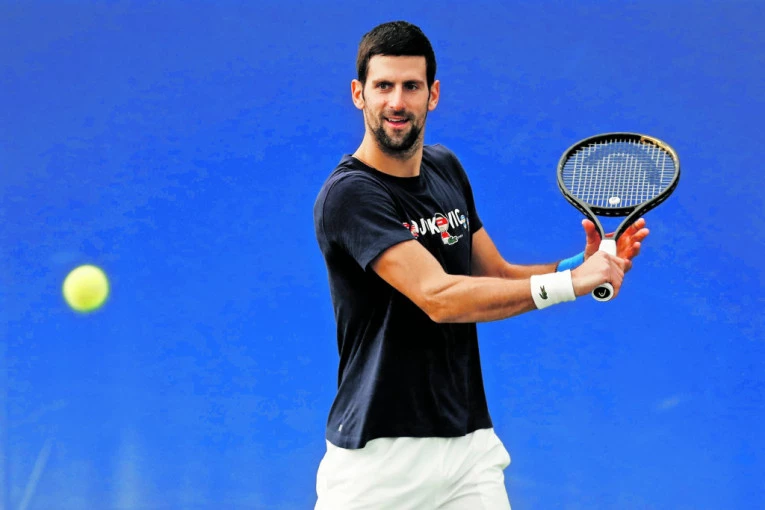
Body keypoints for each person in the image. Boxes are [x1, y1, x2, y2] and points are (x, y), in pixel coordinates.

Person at [312, 21, 649, 510]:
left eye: (411, 86)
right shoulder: (350, 195)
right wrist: (573, 283)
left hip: (468, 446)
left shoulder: (445, 168)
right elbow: (439, 297)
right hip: (380, 458)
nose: (397, 102)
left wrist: (584, 264)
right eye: (383, 86)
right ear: (358, 94)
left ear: (433, 95)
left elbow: (495, 276)